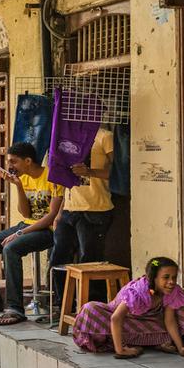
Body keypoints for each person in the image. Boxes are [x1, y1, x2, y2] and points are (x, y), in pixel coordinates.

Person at [0, 142, 63, 326]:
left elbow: (51, 217)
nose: (10, 167)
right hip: (27, 225)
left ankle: (15, 308)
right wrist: (18, 186)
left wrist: (20, 233)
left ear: (28, 160)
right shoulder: (23, 179)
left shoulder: (52, 177)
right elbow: (26, 214)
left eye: (13, 162)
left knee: (11, 248)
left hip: (48, 231)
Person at [72, 256, 184, 359]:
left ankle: (145, 343)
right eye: (166, 277)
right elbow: (116, 318)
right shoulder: (137, 292)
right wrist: (120, 351)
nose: (171, 282)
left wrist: (181, 348)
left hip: (144, 322)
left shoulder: (172, 291)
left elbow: (169, 321)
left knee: (183, 304)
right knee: (90, 309)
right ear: (154, 278)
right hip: (119, 321)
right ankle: (122, 344)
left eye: (174, 277)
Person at [50, 127, 115, 305]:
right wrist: (60, 212)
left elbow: (119, 173)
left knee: (90, 262)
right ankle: (63, 306)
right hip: (70, 210)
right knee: (58, 259)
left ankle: (92, 309)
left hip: (95, 209)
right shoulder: (67, 137)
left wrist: (90, 172)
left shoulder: (105, 137)